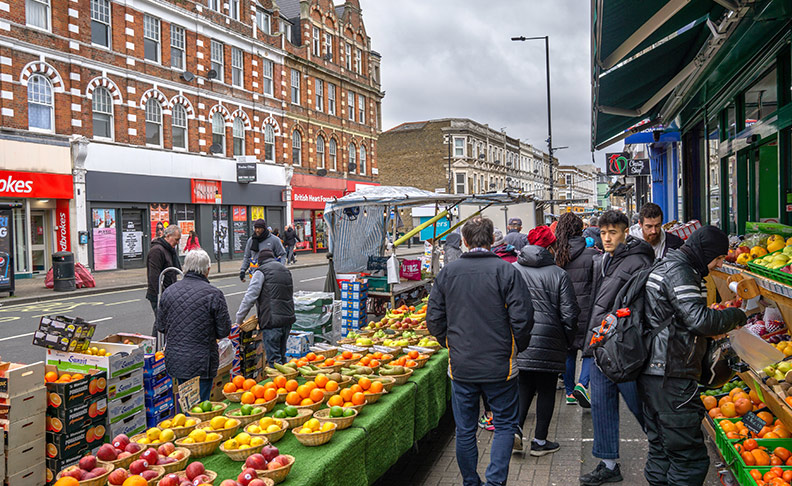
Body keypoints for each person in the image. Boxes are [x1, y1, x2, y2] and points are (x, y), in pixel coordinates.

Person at [427, 216, 534, 486]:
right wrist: (516, 347)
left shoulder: (448, 273)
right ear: (491, 240)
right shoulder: (507, 271)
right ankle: (495, 482)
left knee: (465, 430)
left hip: (462, 366)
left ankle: (471, 482)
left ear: (464, 241)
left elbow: (434, 319)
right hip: (501, 365)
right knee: (505, 425)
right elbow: (524, 318)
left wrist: (450, 343)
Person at [640, 226, 746, 485]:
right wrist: (738, 316)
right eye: (719, 258)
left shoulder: (670, 264)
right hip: (670, 374)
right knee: (689, 459)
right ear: (705, 251)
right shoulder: (681, 271)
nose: (719, 264)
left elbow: (682, 316)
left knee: (662, 451)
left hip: (653, 372)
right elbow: (699, 321)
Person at [581, 210, 654, 486]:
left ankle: (663, 451)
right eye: (603, 232)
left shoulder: (638, 261)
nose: (607, 237)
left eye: (613, 232)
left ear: (626, 232)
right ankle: (608, 464)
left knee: (640, 406)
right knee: (601, 405)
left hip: (625, 349)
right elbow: (596, 304)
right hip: (602, 346)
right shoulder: (603, 260)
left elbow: (641, 307)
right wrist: (589, 343)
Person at [512, 225, 579, 456]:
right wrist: (567, 340)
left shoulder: (513, 270)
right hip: (551, 341)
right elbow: (570, 314)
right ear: (551, 246)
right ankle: (540, 442)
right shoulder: (559, 274)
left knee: (523, 385)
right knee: (547, 389)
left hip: (521, 339)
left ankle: (516, 429)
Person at [157, 249, 231, 402]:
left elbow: (161, 327)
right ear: (208, 270)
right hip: (203, 362)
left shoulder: (169, 292)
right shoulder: (214, 294)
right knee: (200, 409)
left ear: (185, 268)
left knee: (185, 405)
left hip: (176, 360)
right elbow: (224, 330)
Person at [554, 213, 598, 408]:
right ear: (581, 230)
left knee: (568, 352)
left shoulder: (556, 255)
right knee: (590, 350)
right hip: (588, 311)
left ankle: (570, 392)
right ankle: (583, 384)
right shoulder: (593, 255)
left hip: (564, 312)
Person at [236, 249, 296, 367]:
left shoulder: (261, 271)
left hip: (271, 322)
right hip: (287, 320)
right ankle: (288, 382)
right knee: (282, 356)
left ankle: (279, 384)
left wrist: (239, 319)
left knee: (274, 360)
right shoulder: (285, 270)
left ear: (259, 262)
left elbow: (250, 297)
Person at [146, 225, 182, 335]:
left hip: (169, 292)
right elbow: (154, 277)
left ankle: (162, 346)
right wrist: (162, 295)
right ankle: (155, 348)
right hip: (159, 294)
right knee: (161, 322)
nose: (178, 242)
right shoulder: (157, 251)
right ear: (168, 236)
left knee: (166, 321)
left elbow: (174, 271)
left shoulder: (170, 250)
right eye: (176, 239)